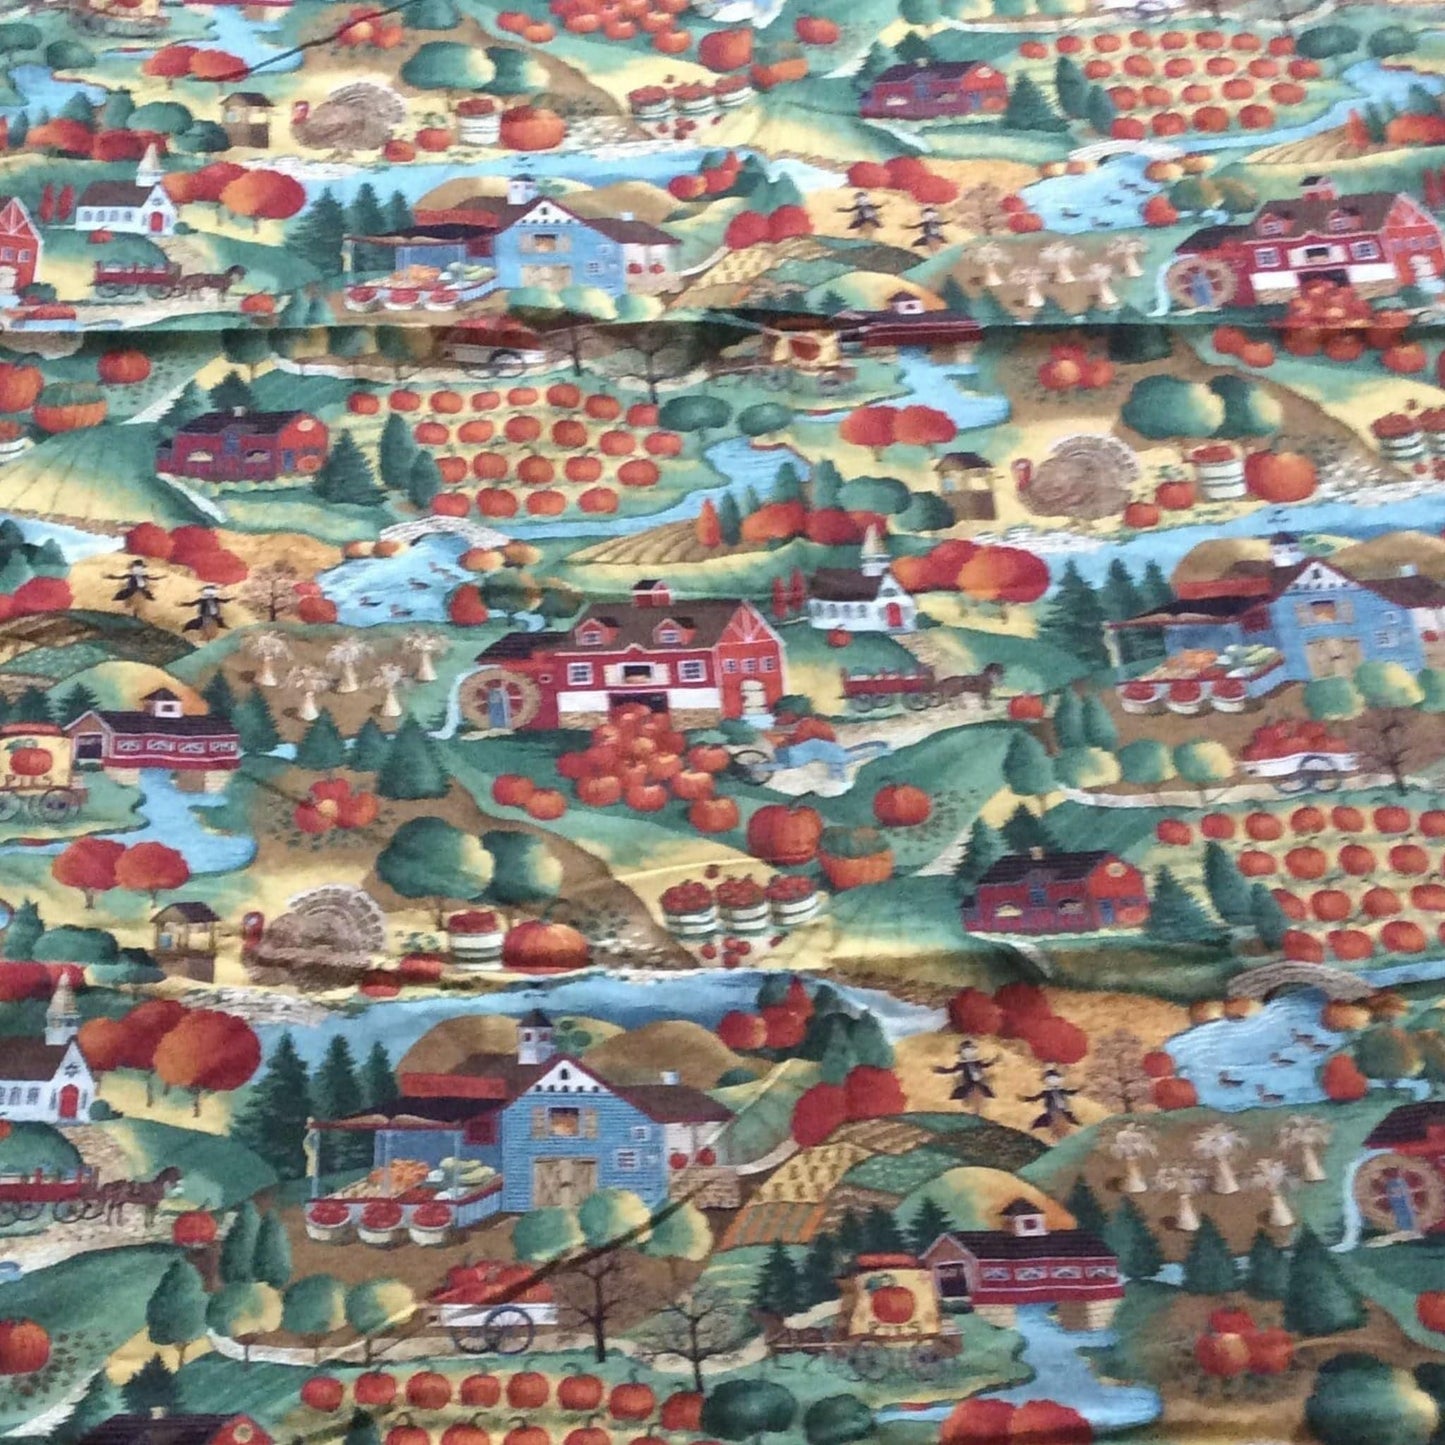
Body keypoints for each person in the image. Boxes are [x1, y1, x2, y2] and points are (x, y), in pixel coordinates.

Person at [934, 1038, 999, 1111]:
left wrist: (941, 1070)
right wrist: (994, 1061)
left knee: (959, 1093)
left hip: (970, 1084)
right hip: (974, 1083)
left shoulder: (966, 1064)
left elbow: (952, 1070)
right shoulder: (975, 1063)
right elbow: (986, 1065)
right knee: (986, 1092)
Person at [1021, 1066, 1081, 1139]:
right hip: (1056, 1110)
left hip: (1055, 1110)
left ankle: (1032, 1129)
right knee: (1072, 1118)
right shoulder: (1054, 1091)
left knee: (1038, 1122)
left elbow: (1035, 1098)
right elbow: (1070, 1093)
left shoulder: (1053, 1091)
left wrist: (1026, 1099)